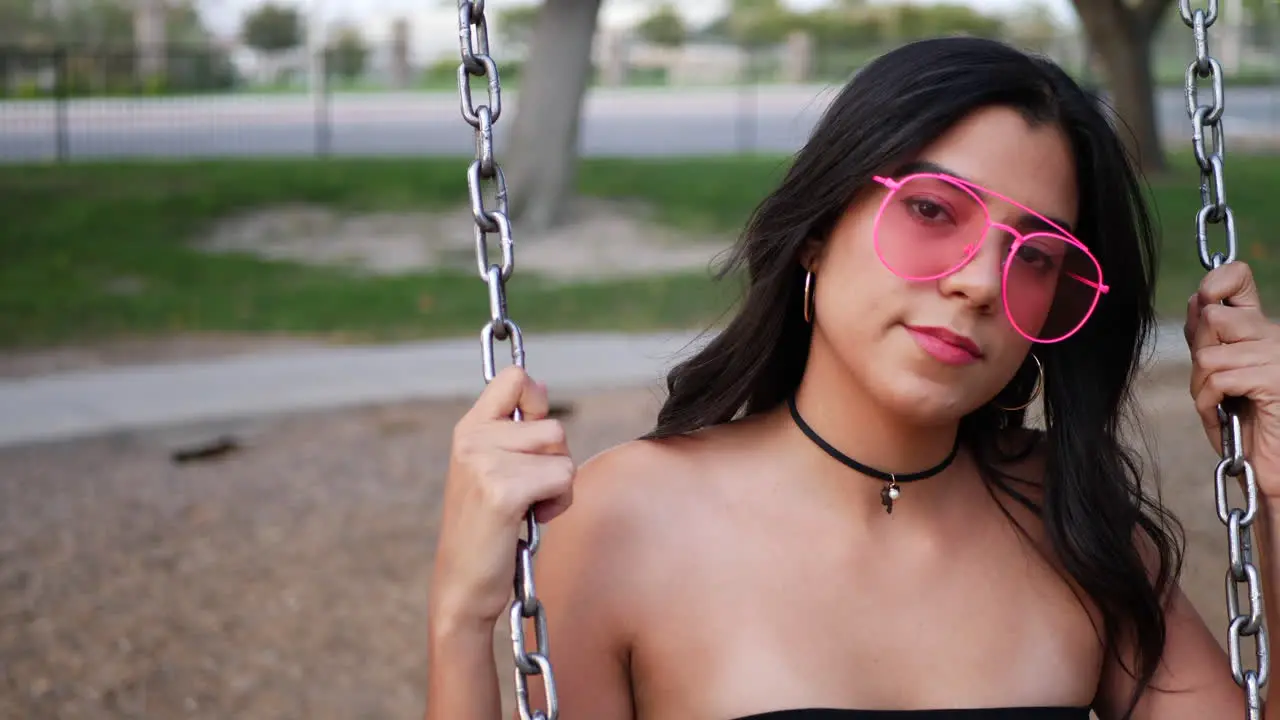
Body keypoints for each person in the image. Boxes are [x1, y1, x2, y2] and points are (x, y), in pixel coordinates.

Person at [426, 37, 1280, 720]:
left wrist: (1277, 490)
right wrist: (461, 623)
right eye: (932, 210)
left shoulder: (1073, 521)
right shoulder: (620, 521)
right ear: (817, 231)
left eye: (1039, 255)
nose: (979, 282)